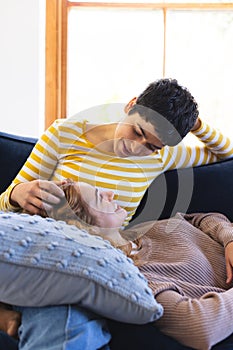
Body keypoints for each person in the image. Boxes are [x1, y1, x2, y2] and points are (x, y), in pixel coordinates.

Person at [0, 78, 233, 228]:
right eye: (137, 131)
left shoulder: (162, 157)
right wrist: (15, 194)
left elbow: (226, 153)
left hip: (104, 255)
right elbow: (4, 203)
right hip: (43, 239)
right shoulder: (66, 133)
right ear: (131, 105)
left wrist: (197, 126)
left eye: (151, 146)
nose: (135, 147)